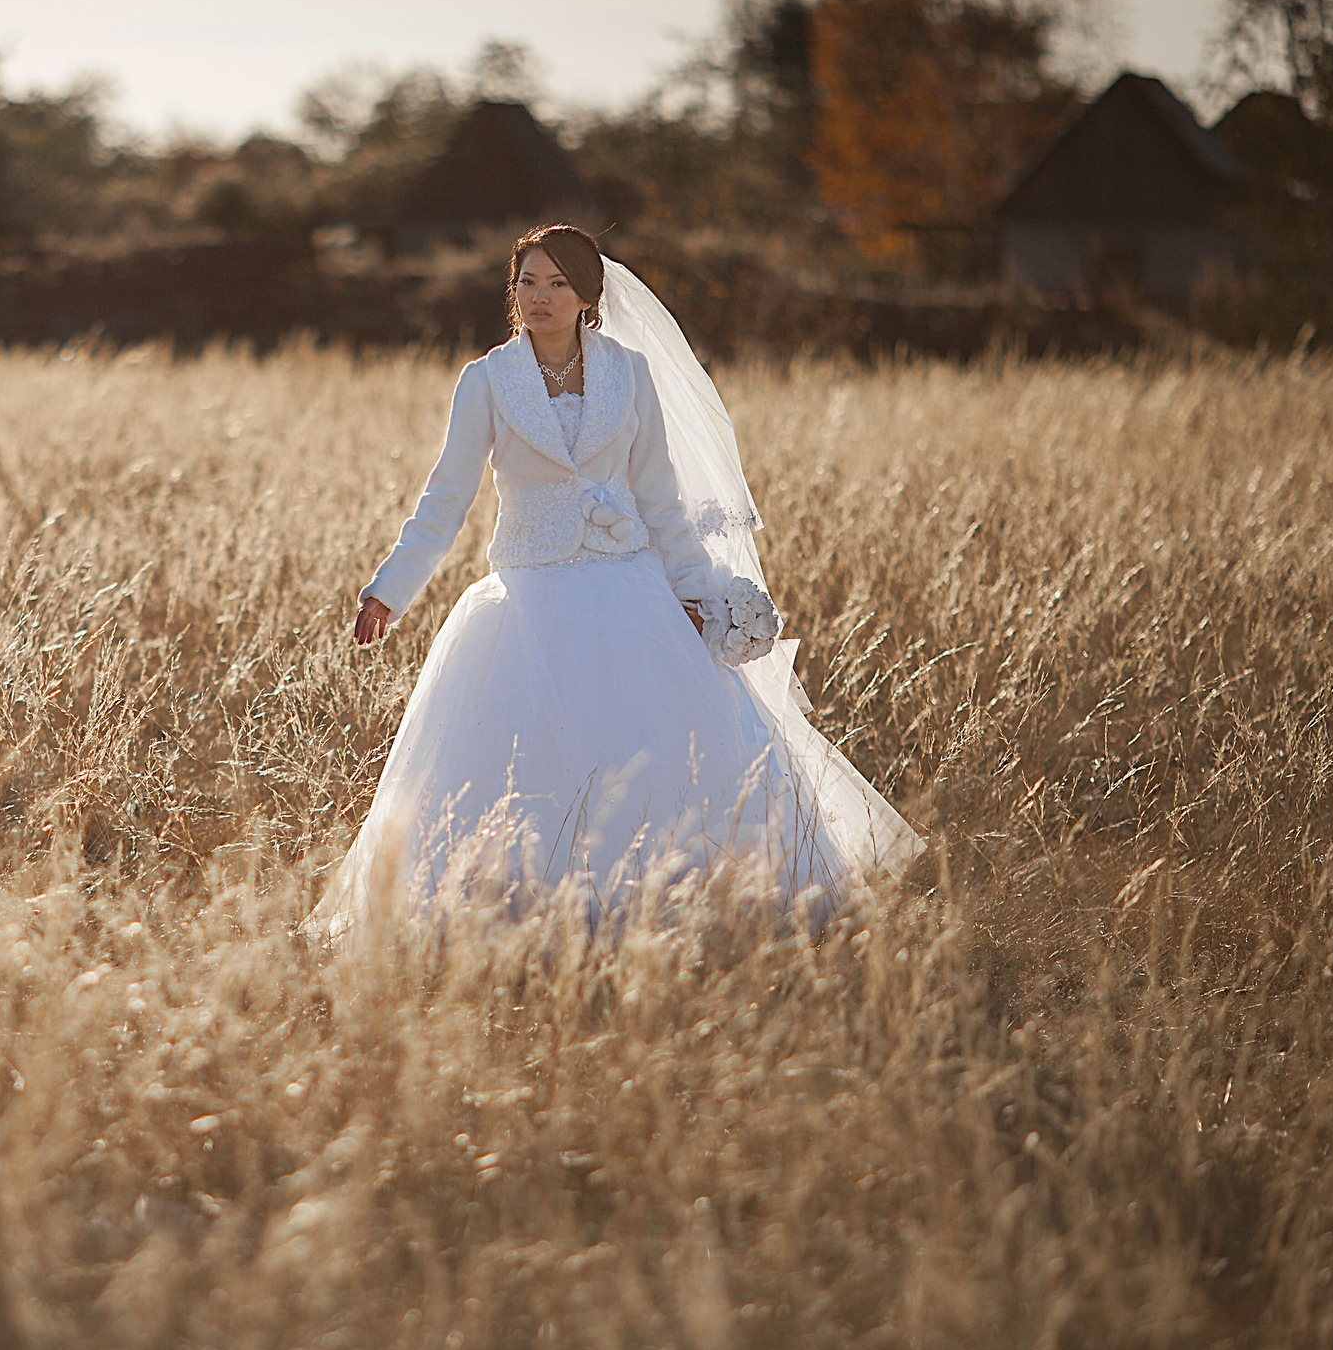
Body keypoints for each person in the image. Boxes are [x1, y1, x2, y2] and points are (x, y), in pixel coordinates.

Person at [312, 224, 919, 940]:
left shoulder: (628, 372)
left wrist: (699, 592)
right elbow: (446, 500)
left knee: (658, 761)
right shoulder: (486, 380)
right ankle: (524, 923)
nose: (539, 297)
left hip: (633, 592)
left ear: (586, 295)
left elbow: (661, 496)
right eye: (527, 282)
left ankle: (680, 909)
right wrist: (390, 587)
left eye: (557, 284)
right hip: (529, 599)